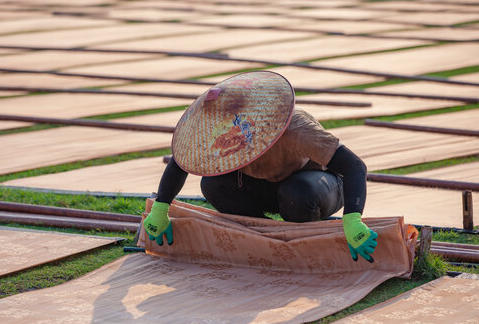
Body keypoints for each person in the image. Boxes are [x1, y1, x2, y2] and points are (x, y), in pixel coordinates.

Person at [143, 71, 377, 263]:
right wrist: (161, 207)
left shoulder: (295, 128)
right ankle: (262, 238)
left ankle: (302, 241)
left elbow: (354, 166)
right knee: (213, 184)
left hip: (317, 186)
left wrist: (353, 219)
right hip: (265, 186)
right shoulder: (217, 131)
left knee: (297, 193)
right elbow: (181, 160)